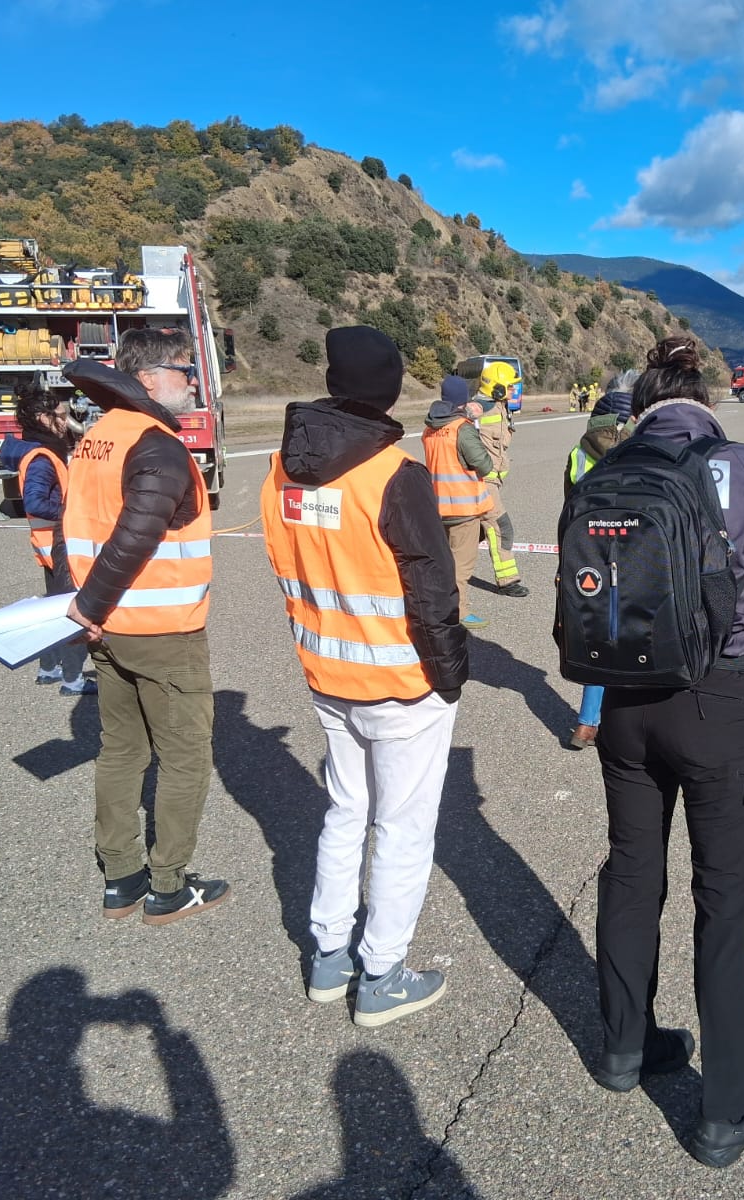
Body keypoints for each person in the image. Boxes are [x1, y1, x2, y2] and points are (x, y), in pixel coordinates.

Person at [593, 336, 744, 1168]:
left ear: (642, 404)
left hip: (622, 701)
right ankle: (726, 1112)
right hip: (719, 702)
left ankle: (623, 1048)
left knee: (629, 872)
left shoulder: (605, 468)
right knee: (724, 905)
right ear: (705, 401)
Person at [260, 326, 468, 1027]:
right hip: (401, 685)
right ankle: (382, 972)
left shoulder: (281, 468)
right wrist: (450, 677)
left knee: (345, 813)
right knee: (403, 829)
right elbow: (432, 593)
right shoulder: (393, 474)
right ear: (388, 387)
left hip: (327, 674)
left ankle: (328, 957)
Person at [61, 330, 227, 925]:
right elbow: (136, 532)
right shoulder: (155, 444)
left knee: (121, 750)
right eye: (185, 369)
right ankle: (168, 884)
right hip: (160, 629)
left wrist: (82, 609)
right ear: (150, 377)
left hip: (108, 631)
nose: (191, 380)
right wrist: (92, 605)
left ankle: (121, 877)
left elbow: (73, 528)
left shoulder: (97, 438)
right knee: (185, 757)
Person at [0, 379, 94, 695]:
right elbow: (36, 501)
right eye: (61, 415)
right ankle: (72, 679)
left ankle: (49, 668)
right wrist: (72, 513)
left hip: (49, 544)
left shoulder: (38, 450)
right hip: (58, 544)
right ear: (43, 418)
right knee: (72, 608)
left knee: (54, 605)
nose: (66, 422)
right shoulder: (41, 457)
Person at [564, 370, 638, 749]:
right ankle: (627, 725)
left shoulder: (580, 449)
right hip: (634, 556)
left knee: (597, 637)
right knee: (636, 636)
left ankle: (586, 723)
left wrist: (566, 564)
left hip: (588, 556)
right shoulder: (644, 446)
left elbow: (568, 512)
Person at [422, 375, 494, 631]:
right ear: (463, 400)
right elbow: (484, 464)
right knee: (461, 567)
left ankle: (437, 604)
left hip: (438, 506)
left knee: (443, 562)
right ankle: (459, 612)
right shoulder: (462, 429)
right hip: (464, 510)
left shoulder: (430, 427)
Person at [473, 361, 528, 597]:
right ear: (496, 388)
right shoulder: (477, 410)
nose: (514, 390)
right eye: (510, 386)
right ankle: (508, 580)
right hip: (481, 482)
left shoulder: (500, 406)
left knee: (469, 533)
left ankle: (441, 571)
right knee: (500, 527)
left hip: (490, 481)